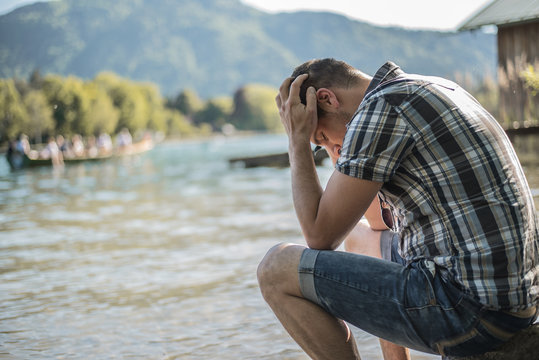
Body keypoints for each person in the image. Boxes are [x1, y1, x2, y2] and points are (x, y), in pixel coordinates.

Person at [257, 59, 538, 359]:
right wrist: (337, 148)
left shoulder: (382, 109)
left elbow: (319, 236)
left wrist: (297, 141)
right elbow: (377, 222)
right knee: (361, 238)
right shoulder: (425, 88)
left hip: (471, 311)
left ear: (327, 99)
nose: (330, 147)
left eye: (323, 137)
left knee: (276, 269)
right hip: (514, 302)